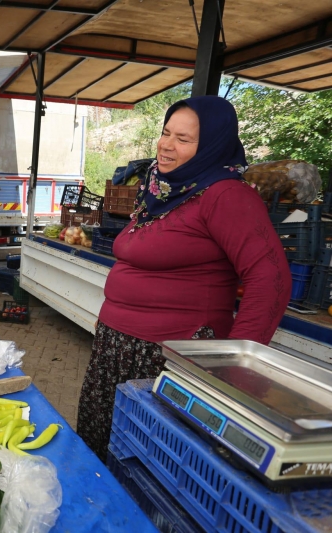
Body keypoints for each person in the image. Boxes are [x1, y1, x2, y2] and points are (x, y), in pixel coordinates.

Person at [76, 96, 291, 462]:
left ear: (210, 145)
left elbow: (270, 277)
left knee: (144, 460)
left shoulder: (225, 196)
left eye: (183, 139)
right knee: (98, 447)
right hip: (117, 347)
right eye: (165, 133)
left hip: (167, 356)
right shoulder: (161, 190)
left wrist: (232, 365)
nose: (166, 144)